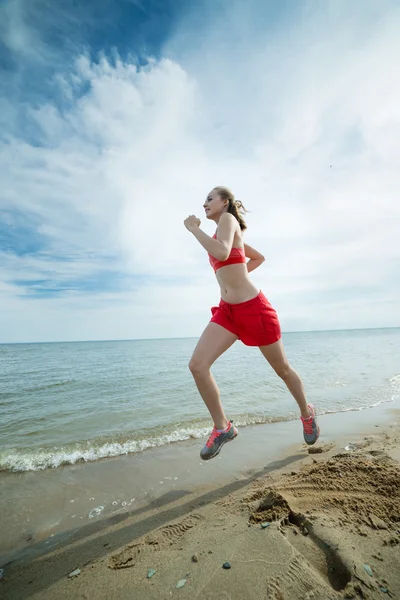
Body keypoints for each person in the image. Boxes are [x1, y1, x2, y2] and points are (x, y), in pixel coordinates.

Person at [184, 186, 319, 460]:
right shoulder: (223, 230)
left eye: (210, 199)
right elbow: (255, 258)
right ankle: (223, 427)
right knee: (198, 365)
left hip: (254, 309)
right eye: (204, 200)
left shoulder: (228, 220)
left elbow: (222, 254)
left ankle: (307, 412)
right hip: (227, 312)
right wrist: (237, 276)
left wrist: (193, 230)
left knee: (282, 369)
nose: (205, 203)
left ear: (225, 202)